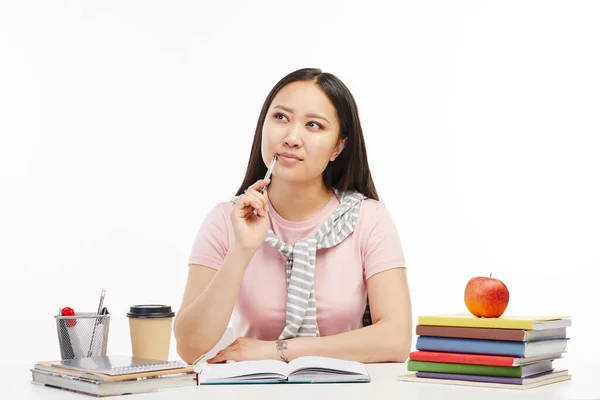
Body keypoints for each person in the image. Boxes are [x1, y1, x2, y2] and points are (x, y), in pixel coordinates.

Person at [174, 68, 412, 365]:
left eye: (314, 125)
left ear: (338, 146)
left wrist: (277, 351)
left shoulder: (368, 218)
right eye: (281, 118)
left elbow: (396, 339)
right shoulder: (225, 220)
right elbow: (189, 347)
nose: (291, 137)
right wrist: (242, 249)